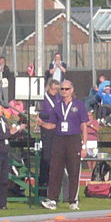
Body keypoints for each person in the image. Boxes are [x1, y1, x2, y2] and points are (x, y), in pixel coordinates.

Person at [40, 79, 88, 211]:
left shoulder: (79, 105)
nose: (64, 91)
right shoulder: (57, 105)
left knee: (74, 170)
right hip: (59, 139)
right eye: (62, 89)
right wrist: (41, 123)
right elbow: (52, 125)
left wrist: (84, 146)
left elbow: (83, 126)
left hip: (73, 139)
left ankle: (73, 200)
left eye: (66, 89)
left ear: (72, 90)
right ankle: (52, 199)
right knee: (55, 170)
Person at [0, 101, 25, 210]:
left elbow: (8, 134)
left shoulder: (2, 120)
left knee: (4, 179)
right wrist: (10, 133)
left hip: (4, 152)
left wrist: (18, 130)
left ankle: (2, 203)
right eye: (1, 108)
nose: (3, 110)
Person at [35, 79, 60, 194]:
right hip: (46, 129)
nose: (55, 91)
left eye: (57, 89)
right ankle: (43, 186)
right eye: (53, 89)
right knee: (46, 157)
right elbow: (40, 113)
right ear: (49, 87)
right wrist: (52, 113)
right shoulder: (43, 99)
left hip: (57, 129)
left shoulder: (59, 98)